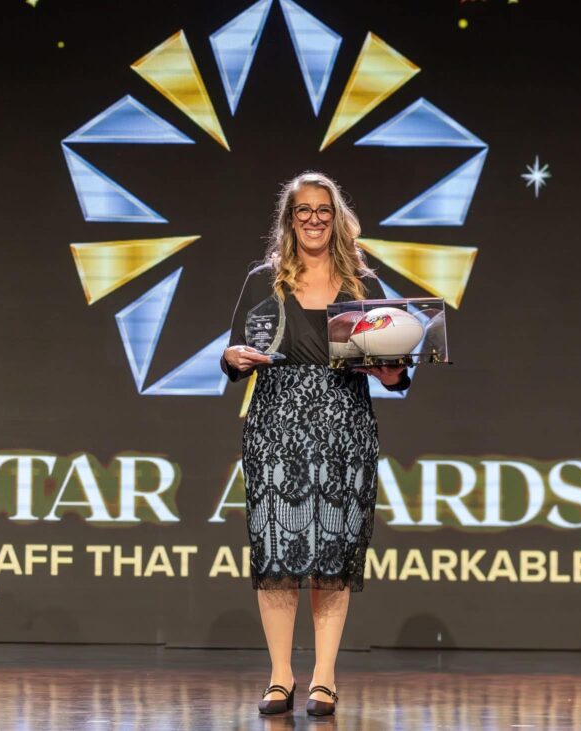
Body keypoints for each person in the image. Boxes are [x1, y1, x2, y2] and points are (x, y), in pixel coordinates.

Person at [220, 171, 409, 716]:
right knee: (276, 551)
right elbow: (235, 350)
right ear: (289, 219)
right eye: (303, 210)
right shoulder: (263, 281)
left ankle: (324, 678)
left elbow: (394, 368)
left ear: (336, 218)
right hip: (275, 426)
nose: (314, 220)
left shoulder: (362, 287)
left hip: (344, 426)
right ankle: (280, 677)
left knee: (333, 552)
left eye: (323, 210)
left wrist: (393, 372)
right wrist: (231, 358)